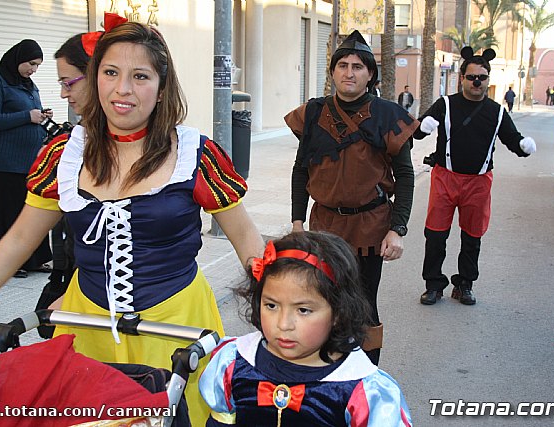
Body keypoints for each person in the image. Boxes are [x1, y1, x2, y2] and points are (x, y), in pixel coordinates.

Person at [0, 14, 265, 426]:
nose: (123, 89)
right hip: (86, 323)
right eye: (110, 72)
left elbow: (248, 244)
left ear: (163, 87)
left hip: (178, 329)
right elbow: (19, 240)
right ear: (95, 78)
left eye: (140, 76)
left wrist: (289, 317)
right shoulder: (65, 153)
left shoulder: (193, 154)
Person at [284, 30, 418, 366]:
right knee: (321, 299)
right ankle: (326, 368)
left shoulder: (388, 115)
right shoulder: (314, 114)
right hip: (324, 225)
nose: (349, 72)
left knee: (363, 304)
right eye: (342, 65)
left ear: (370, 74)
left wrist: (397, 227)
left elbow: (404, 176)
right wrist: (298, 221)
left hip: (370, 226)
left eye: (357, 66)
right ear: (332, 72)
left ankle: (366, 374)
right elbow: (301, 170)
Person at [199, 231, 412, 426]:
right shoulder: (233, 364)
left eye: (303, 310)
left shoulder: (363, 392)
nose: (283, 324)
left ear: (338, 313)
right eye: (271, 306)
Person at [415, 47, 536, 306]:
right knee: (435, 235)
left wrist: (524, 145)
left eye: (482, 77)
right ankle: (434, 284)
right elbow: (418, 130)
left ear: (488, 80)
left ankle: (465, 284)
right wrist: (423, 127)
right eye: (471, 77)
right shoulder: (445, 105)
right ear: (462, 78)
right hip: (445, 178)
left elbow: (511, 140)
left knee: (472, 236)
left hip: (478, 182)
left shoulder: (497, 112)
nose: (476, 82)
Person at [29, 30, 103, 337]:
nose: (62, 94)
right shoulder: (65, 152)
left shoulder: (186, 153)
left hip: (171, 317)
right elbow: (21, 237)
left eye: (66, 82)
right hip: (85, 300)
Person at [0, 39, 53, 279]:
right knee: (10, 212)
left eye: (37, 66)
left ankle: (35, 260)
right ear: (18, 59)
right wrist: (27, 116)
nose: (33, 69)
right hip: (6, 162)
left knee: (33, 212)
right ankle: (11, 263)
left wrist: (43, 118)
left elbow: (32, 117)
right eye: (31, 63)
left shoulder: (29, 85)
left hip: (32, 161)